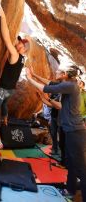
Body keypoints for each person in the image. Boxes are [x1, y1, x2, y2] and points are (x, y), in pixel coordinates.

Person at [26, 66, 86, 202]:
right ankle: (70, 190)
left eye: (59, 71)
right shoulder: (67, 84)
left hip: (76, 132)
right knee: (71, 163)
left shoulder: (70, 86)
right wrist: (34, 74)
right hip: (71, 131)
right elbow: (50, 83)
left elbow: (46, 88)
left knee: (81, 167)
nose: (56, 72)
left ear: (65, 74)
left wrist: (29, 78)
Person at [0, 6, 30, 153]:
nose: (16, 43)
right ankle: (4, 117)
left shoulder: (15, 55)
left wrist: (3, 16)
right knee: (3, 105)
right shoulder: (23, 59)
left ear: (23, 47)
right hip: (10, 91)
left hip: (3, 90)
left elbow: (5, 37)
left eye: (19, 43)